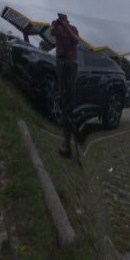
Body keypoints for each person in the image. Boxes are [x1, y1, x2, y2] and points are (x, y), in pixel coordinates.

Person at [46, 13, 82, 158]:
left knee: (71, 97)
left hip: (71, 63)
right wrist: (55, 25)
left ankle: (74, 131)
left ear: (67, 19)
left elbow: (76, 41)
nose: (61, 21)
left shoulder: (72, 28)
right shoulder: (58, 29)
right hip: (60, 63)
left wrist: (66, 26)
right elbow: (52, 33)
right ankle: (67, 141)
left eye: (63, 19)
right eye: (61, 20)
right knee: (63, 98)